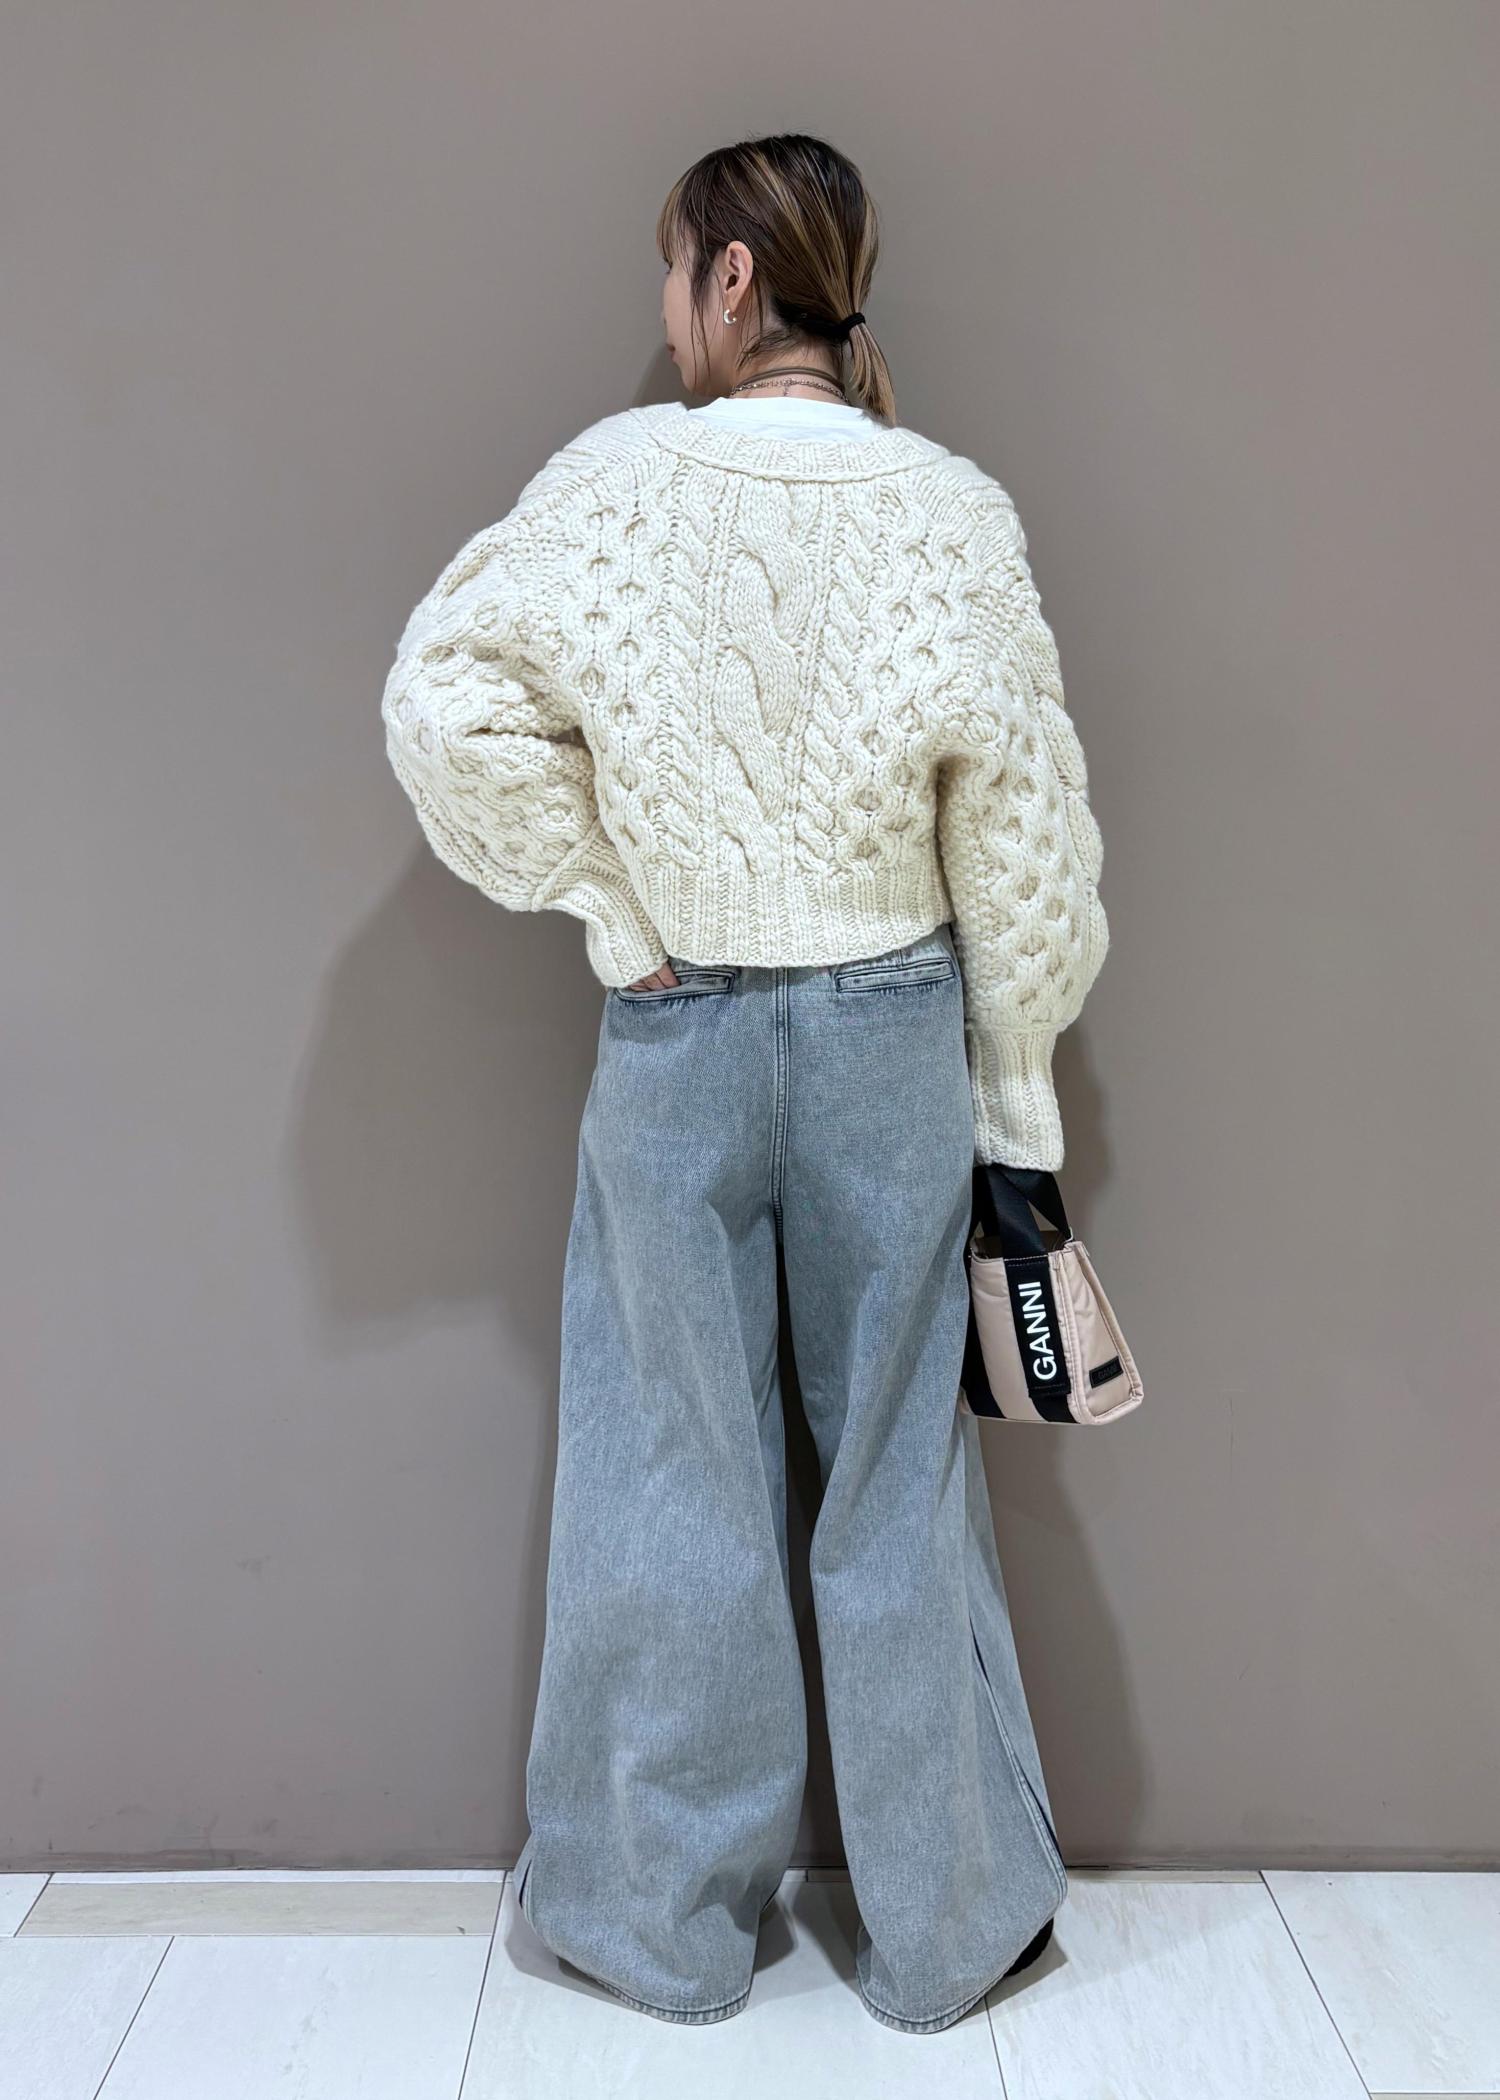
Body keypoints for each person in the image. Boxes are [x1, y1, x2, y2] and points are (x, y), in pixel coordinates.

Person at [380, 131, 1109, 2035]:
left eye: (669, 269)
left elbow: (440, 703)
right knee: (898, 1476)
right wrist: (1015, 1097)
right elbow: (1022, 838)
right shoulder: (948, 510)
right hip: (891, 1034)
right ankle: (949, 1932)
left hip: (678, 1035)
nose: (664, 307)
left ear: (725, 277)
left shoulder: (611, 485)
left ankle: (655, 1928)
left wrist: (613, 905)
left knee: (666, 1470)